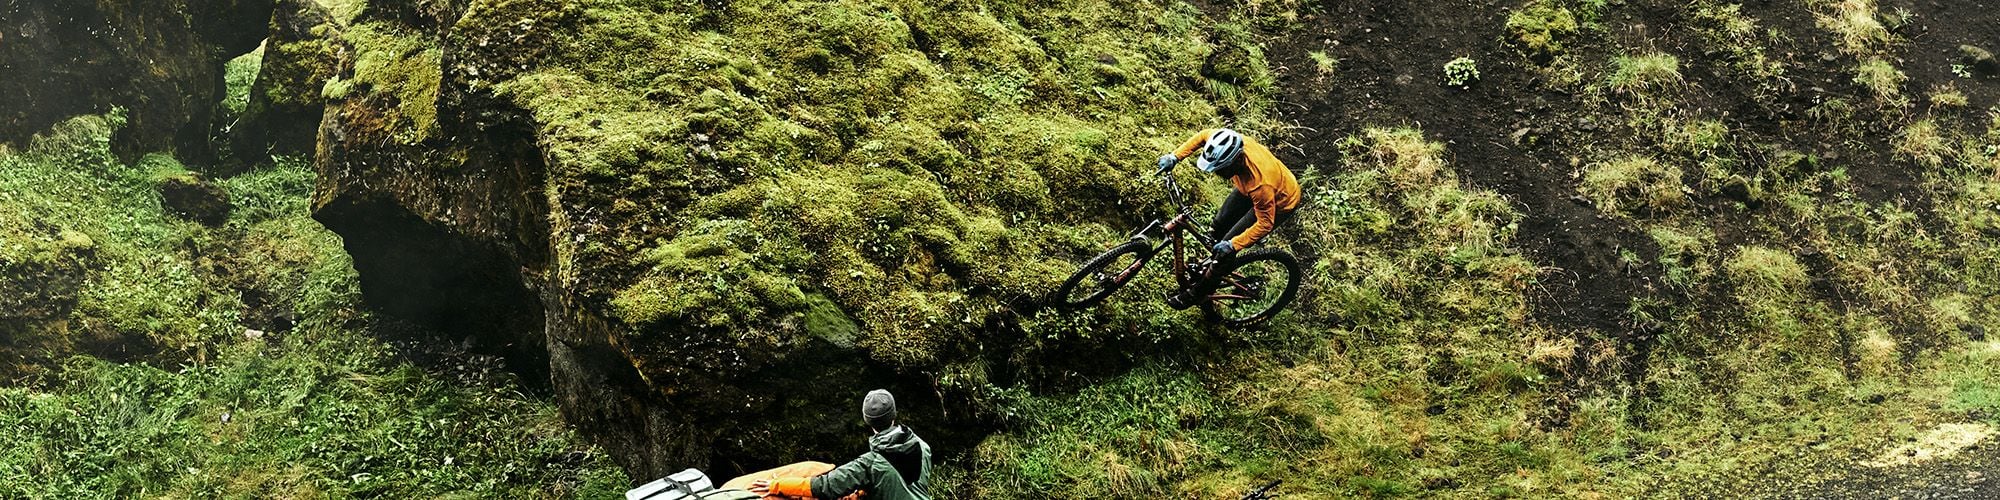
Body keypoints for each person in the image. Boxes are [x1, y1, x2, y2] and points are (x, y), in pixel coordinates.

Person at [1156, 128, 1302, 309]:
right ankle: (1211, 270)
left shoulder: (1260, 186)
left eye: (1221, 169)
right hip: (1250, 186)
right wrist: (1175, 156)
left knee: (1224, 250)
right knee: (1218, 225)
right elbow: (1203, 136)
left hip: (1280, 200)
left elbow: (1265, 224)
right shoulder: (1230, 143)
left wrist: (1233, 245)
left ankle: (1198, 293)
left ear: (1237, 161)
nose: (1216, 173)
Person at [749, 390, 932, 500]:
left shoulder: (869, 464)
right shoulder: (923, 446)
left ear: (867, 421)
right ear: (894, 414)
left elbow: (824, 487)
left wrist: (776, 485)